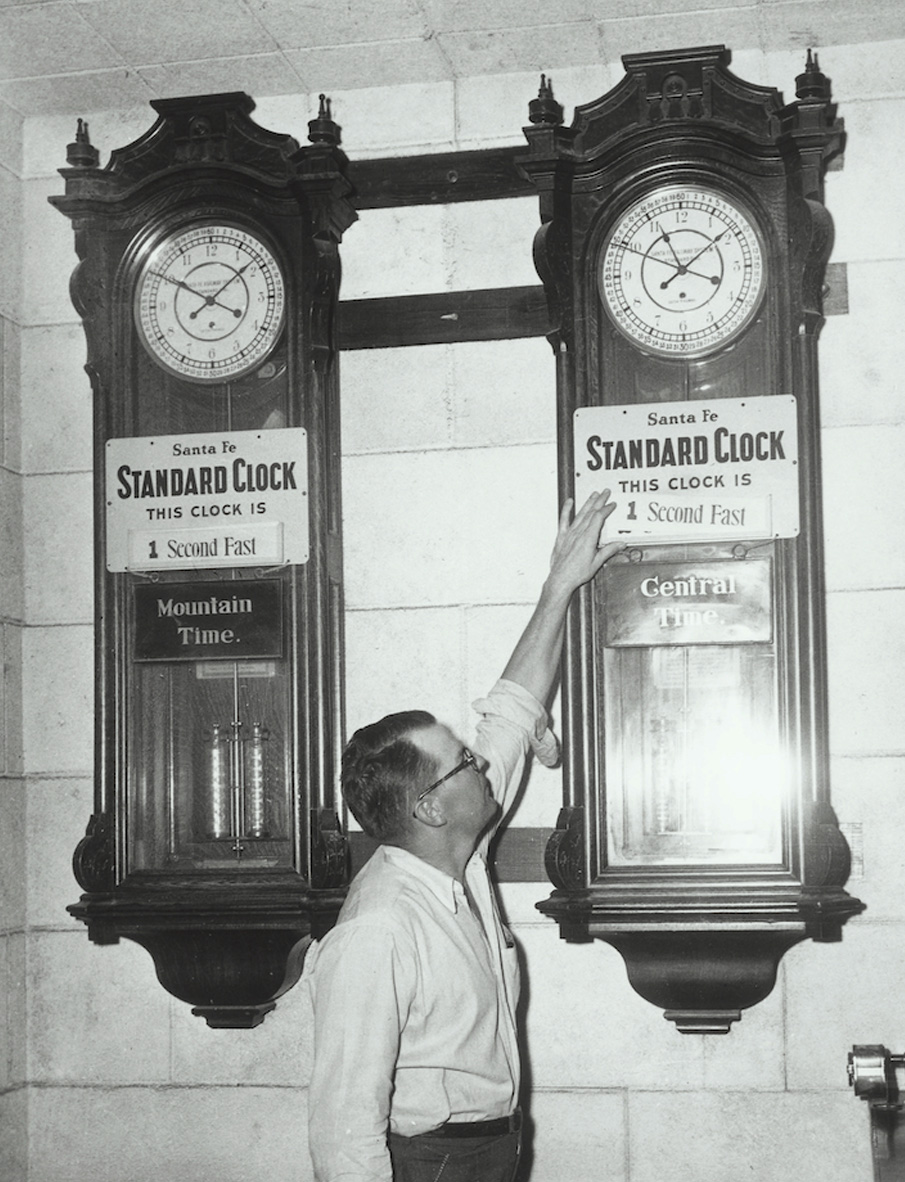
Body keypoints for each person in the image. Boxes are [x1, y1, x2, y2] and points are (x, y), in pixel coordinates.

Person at [306, 490, 620, 1182]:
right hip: (433, 1163)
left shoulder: (459, 859)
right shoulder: (377, 929)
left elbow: (511, 710)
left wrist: (559, 587)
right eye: (463, 762)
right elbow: (341, 1124)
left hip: (494, 1150)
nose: (480, 762)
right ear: (428, 807)